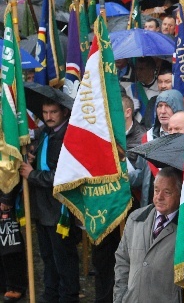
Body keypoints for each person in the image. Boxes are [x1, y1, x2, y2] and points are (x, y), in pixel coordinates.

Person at [19, 100, 81, 302]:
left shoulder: (68, 136)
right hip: (42, 207)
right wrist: (31, 158)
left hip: (60, 208)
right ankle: (51, 294)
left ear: (64, 112)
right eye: (45, 112)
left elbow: (62, 175)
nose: (48, 116)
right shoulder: (45, 132)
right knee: (47, 256)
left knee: (63, 258)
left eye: (53, 112)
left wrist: (32, 174)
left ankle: (67, 296)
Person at [91, 95, 147, 303]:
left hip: (130, 208)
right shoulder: (104, 136)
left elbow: (139, 178)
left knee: (126, 260)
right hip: (105, 208)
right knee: (103, 258)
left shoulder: (141, 137)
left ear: (127, 112)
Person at [113, 167, 184, 302]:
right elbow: (122, 260)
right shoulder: (136, 218)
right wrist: (120, 297)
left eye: (167, 192)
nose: (159, 197)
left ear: (180, 194)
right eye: (156, 190)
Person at [141, 61, 173, 129]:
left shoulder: (182, 102)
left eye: (167, 82)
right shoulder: (153, 101)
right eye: (160, 82)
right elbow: (144, 125)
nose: (163, 86)